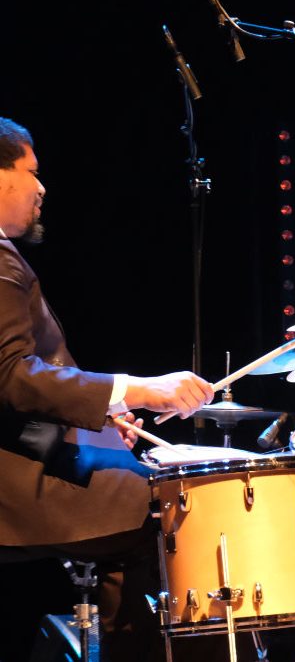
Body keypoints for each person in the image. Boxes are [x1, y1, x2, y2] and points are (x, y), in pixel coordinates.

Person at [0, 116, 215, 660]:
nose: (42, 187)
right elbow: (12, 377)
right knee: (166, 511)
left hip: (28, 455)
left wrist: (102, 412)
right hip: (14, 480)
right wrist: (141, 389)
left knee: (143, 494)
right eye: (32, 172)